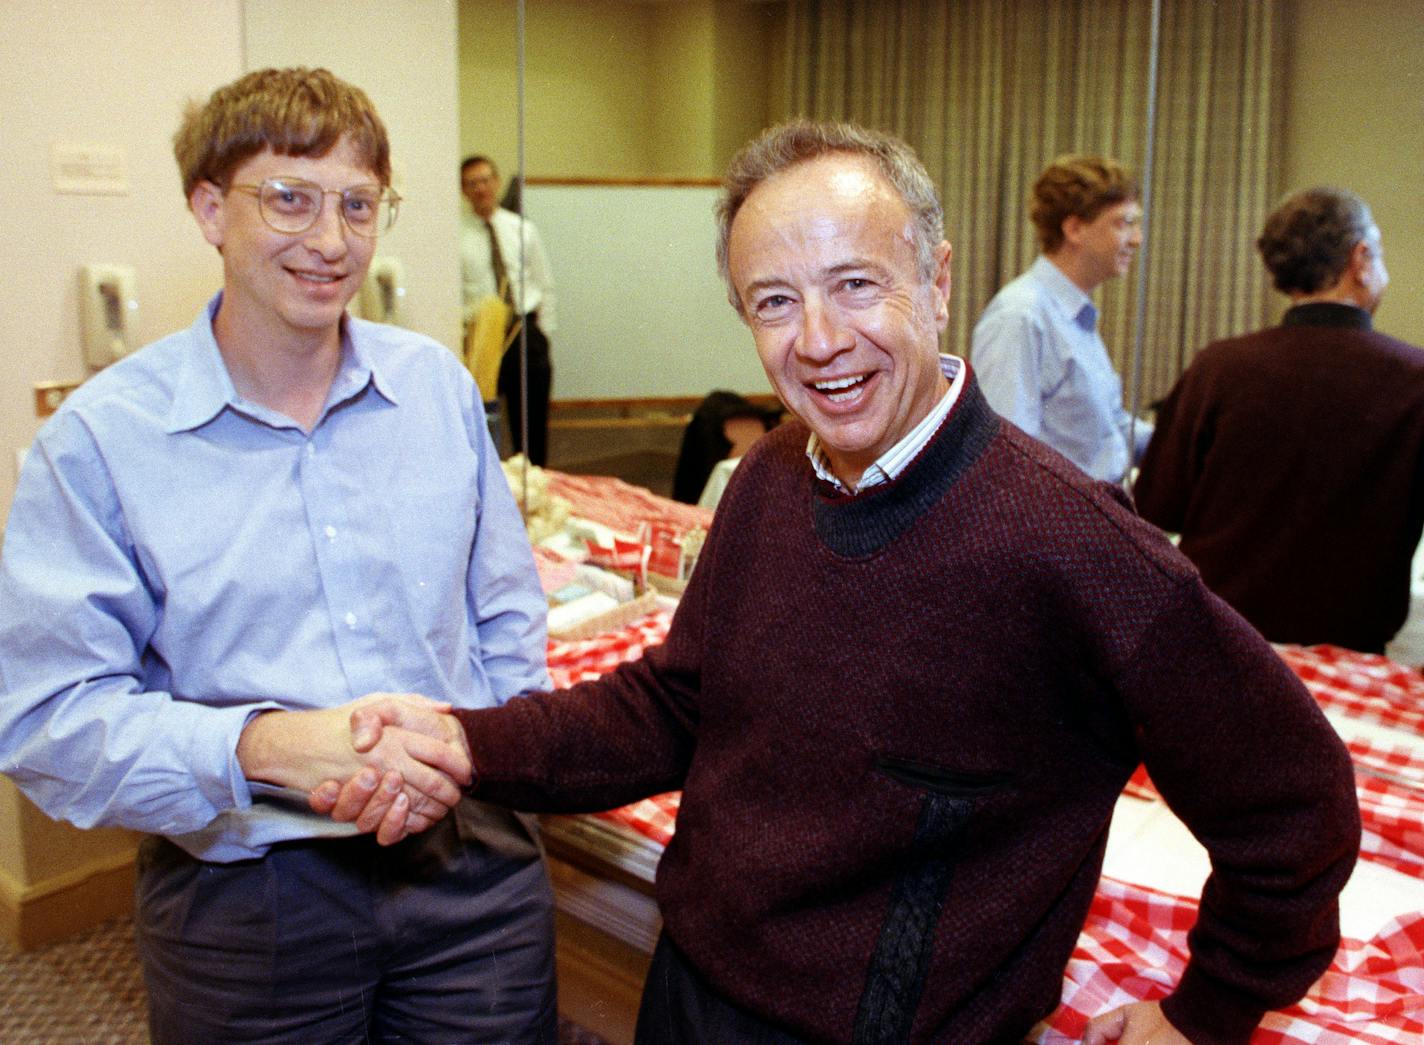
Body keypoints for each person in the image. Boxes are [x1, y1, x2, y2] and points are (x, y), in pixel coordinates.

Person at [321, 122, 1360, 1044]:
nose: (817, 340)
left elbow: (1293, 804)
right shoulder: (772, 474)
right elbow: (676, 702)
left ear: (937, 279)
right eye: (775, 301)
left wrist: (1206, 1010)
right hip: (689, 990)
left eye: (855, 284)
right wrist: (467, 740)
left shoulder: (1073, 543)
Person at [0, 68, 556, 1043]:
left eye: (357, 204)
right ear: (210, 208)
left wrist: (485, 756)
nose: (331, 242)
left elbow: (504, 612)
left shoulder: (433, 389)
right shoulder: (101, 444)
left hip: (471, 868)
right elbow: (45, 718)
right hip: (245, 892)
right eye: (289, 199)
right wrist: (264, 746)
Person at [1134, 187, 1424, 653]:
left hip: (1217, 641)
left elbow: (1156, 506)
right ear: (1361, 258)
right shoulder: (1415, 381)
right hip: (1347, 652)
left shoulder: (1219, 367)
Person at [972, 155, 1151, 483]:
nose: (1137, 239)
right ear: (1074, 229)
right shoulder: (1020, 317)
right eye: (1124, 223)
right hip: (1059, 529)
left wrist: (1188, 442)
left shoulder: (1073, 317)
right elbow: (1004, 460)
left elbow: (1111, 428)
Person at [461, 154, 558, 465]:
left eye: (485, 180)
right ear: (464, 191)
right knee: (484, 421)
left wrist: (544, 333)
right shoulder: (457, 238)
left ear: (497, 182)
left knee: (532, 425)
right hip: (483, 335)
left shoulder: (522, 229)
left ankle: (535, 486)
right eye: (472, 183)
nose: (480, 188)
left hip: (525, 331)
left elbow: (545, 284)